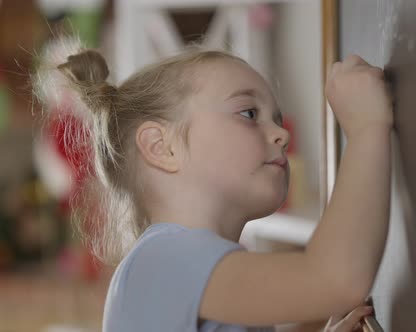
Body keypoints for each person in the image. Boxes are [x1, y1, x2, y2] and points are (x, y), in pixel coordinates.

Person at [35, 45, 394, 331]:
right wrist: (366, 128)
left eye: (277, 118)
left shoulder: (192, 264)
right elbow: (335, 280)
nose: (282, 135)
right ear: (163, 147)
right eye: (249, 114)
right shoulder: (164, 260)